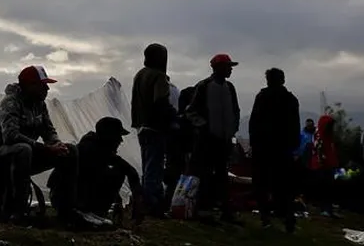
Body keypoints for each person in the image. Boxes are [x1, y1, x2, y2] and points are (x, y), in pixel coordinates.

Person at [0, 65, 79, 223]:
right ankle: (18, 210)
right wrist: (46, 148)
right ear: (29, 86)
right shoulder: (10, 102)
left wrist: (58, 145)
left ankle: (66, 209)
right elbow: (10, 137)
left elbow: (49, 131)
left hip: (25, 155)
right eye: (42, 85)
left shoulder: (40, 105)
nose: (46, 88)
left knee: (70, 150)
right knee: (23, 149)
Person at [186, 53, 241, 222]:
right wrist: (203, 127)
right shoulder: (204, 86)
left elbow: (235, 110)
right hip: (207, 140)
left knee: (222, 176)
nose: (230, 69)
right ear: (218, 68)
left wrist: (233, 129)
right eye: (228, 66)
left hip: (224, 140)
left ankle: (225, 211)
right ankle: (203, 209)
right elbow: (191, 111)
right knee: (205, 174)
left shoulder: (230, 87)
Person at [248, 68, 300, 232]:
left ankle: (266, 218)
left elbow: (253, 123)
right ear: (283, 80)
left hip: (263, 149)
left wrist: (254, 144)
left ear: (268, 80)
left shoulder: (262, 97)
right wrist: (293, 146)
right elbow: (295, 125)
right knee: (285, 186)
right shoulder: (291, 99)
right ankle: (288, 217)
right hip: (283, 149)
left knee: (261, 184)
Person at [130, 43, 176, 215]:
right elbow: (160, 102)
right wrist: (173, 118)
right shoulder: (159, 77)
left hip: (141, 126)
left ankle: (147, 202)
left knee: (147, 166)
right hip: (156, 128)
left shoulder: (139, 75)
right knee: (154, 169)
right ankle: (152, 206)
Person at [75, 117, 143, 221]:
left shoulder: (100, 148)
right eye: (118, 136)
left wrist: (137, 201)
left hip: (76, 197)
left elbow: (130, 171)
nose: (120, 140)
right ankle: (93, 212)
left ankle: (96, 211)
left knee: (117, 171)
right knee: (115, 174)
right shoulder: (90, 150)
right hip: (71, 200)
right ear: (109, 136)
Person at [310, 114, 339, 217]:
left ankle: (329, 209)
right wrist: (324, 163)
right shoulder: (320, 137)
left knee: (329, 189)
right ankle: (324, 209)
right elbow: (319, 153)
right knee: (324, 189)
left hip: (328, 166)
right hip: (322, 167)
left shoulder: (328, 137)